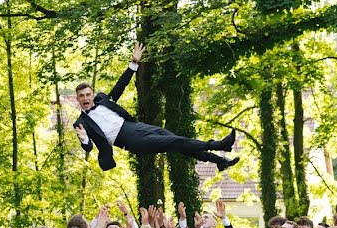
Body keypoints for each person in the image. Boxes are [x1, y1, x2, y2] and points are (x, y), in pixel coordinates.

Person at [73, 42, 239, 172]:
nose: (85, 98)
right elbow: (88, 148)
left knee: (177, 143)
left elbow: (120, 86)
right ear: (77, 99)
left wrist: (134, 63)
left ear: (92, 94)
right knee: (175, 141)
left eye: (88, 94)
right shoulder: (81, 123)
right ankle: (218, 145)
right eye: (82, 96)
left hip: (136, 126)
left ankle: (219, 161)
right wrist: (85, 139)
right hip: (130, 140)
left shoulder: (102, 99)